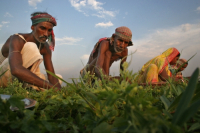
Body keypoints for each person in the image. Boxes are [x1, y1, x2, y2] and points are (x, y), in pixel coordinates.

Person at [0, 12, 62, 91]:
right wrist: (51, 87)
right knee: (31, 46)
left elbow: (51, 75)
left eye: (49, 30)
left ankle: (29, 87)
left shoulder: (45, 47)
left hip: (20, 78)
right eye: (42, 28)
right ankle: (31, 87)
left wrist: (59, 91)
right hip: (4, 74)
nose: (46, 34)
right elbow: (16, 70)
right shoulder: (17, 39)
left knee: (58, 78)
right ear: (32, 27)